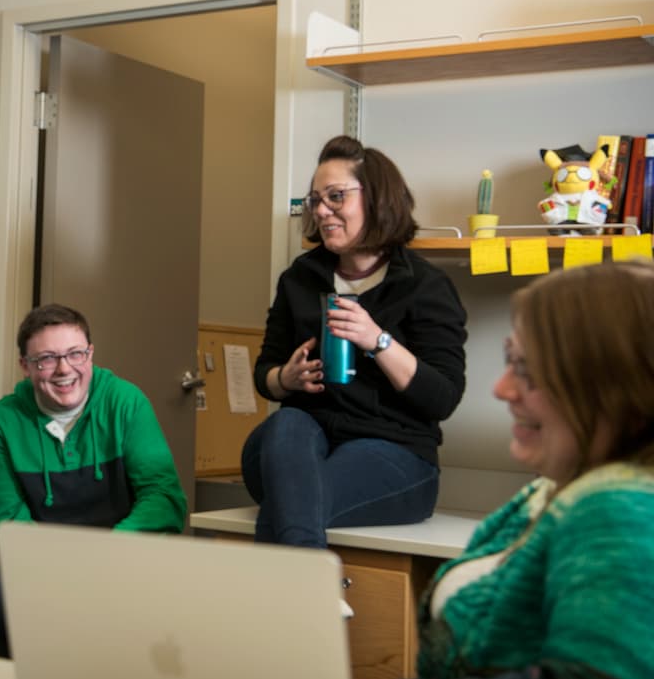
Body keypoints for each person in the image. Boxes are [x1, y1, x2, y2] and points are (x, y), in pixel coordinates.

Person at [416, 260, 654, 679]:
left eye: (527, 369)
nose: (501, 388)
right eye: (510, 359)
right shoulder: (553, 490)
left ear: (618, 389)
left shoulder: (619, 515)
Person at [241, 135, 467, 548]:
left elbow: (443, 398)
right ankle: (310, 585)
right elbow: (264, 374)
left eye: (336, 196)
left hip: (396, 455)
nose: (321, 210)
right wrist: (285, 378)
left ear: (376, 197)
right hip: (298, 445)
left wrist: (377, 340)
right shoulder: (299, 279)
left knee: (295, 496)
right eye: (315, 200)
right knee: (287, 423)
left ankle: (293, 582)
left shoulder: (424, 286)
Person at [0, 303, 187, 655]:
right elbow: (6, 518)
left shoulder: (126, 403)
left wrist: (104, 557)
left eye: (75, 354)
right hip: (42, 568)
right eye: (46, 359)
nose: (64, 369)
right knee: (0, 605)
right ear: (25, 366)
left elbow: (163, 497)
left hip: (124, 558)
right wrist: (66, 570)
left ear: (90, 354)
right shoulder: (2, 420)